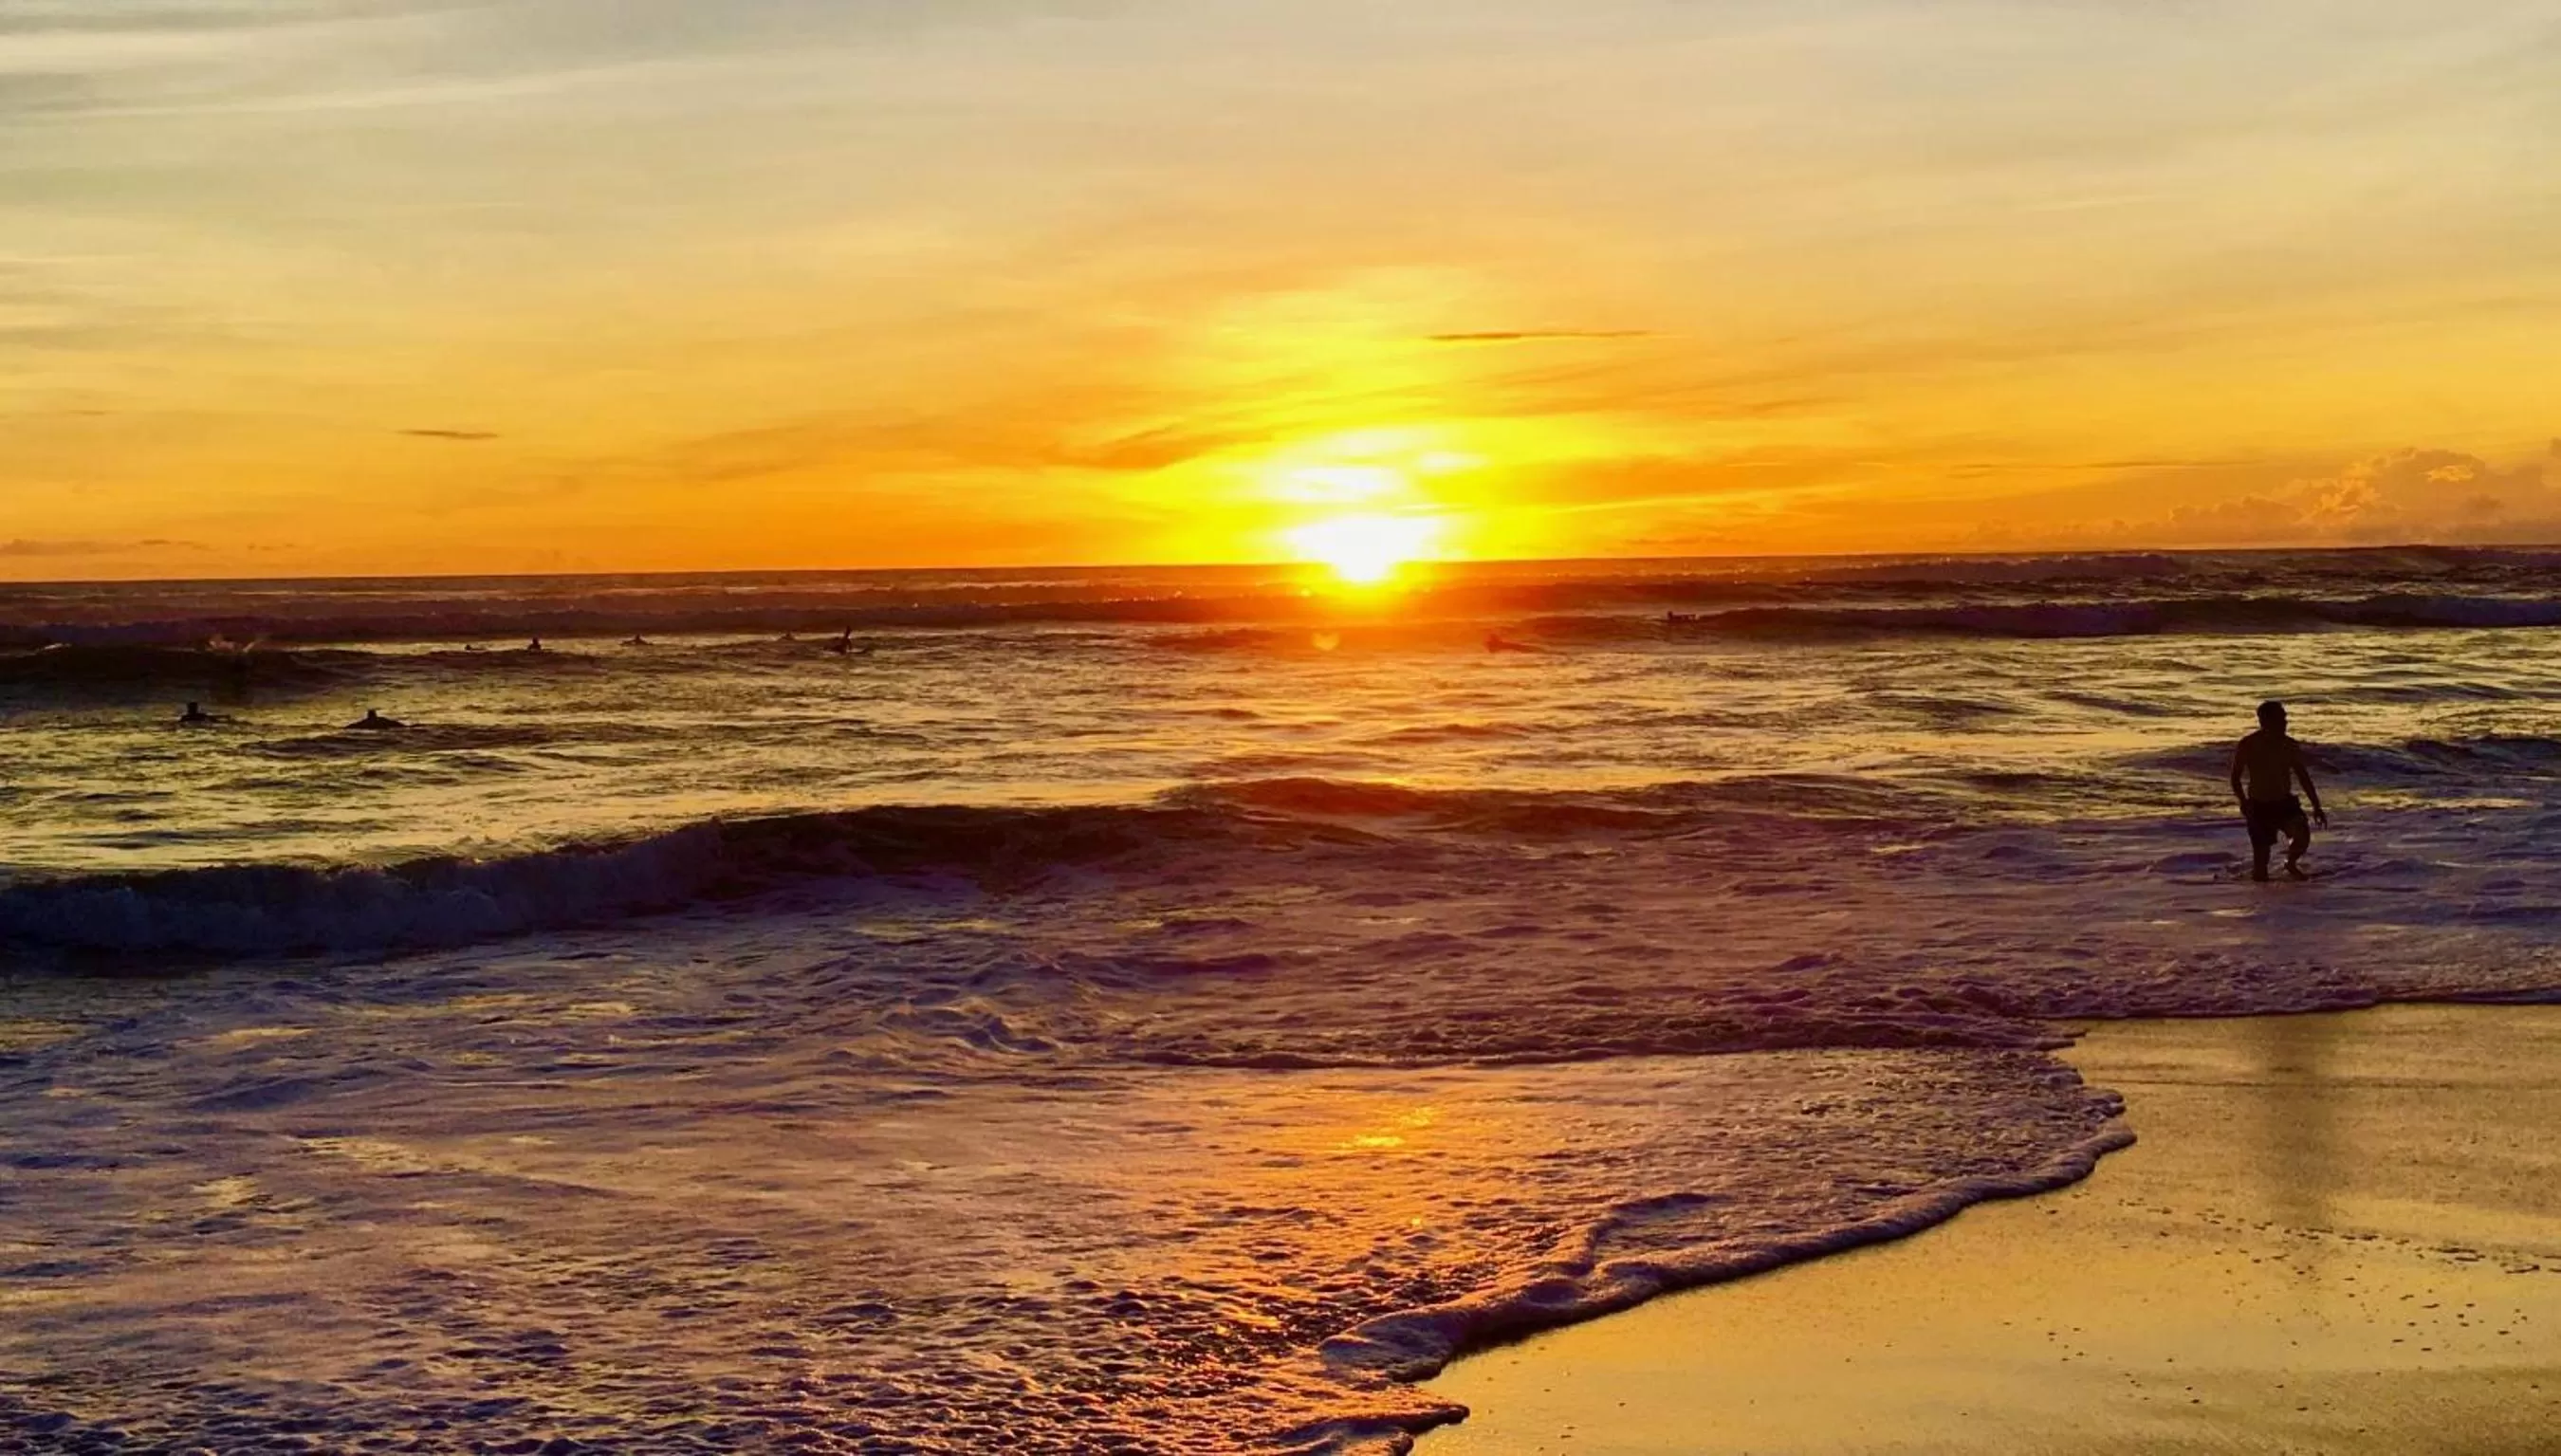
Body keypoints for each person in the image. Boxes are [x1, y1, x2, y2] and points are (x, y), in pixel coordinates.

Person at [2231, 700, 2328, 882]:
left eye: (2285, 718)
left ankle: (2290, 863)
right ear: (2265, 721)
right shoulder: (2248, 744)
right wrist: (2243, 802)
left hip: (2284, 804)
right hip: (2259, 807)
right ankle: (2264, 906)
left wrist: (2317, 806)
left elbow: (2303, 777)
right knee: (2260, 870)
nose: (2285, 723)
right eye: (2280, 719)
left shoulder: (2289, 745)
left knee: (2302, 836)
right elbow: (2235, 777)